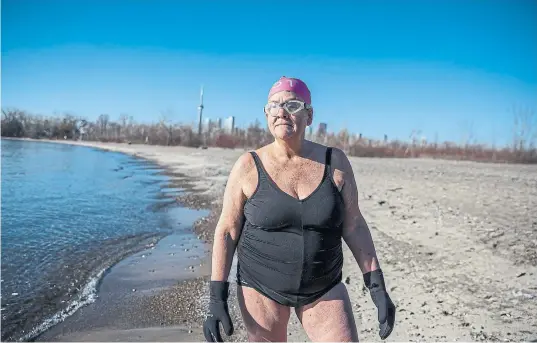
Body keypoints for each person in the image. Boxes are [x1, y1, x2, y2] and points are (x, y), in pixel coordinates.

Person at [203, 76, 396, 342]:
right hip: (261, 287)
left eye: (292, 105)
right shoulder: (248, 166)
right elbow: (227, 230)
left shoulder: (335, 163)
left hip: (324, 286)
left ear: (309, 114)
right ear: (266, 114)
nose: (281, 112)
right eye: (273, 106)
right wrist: (216, 298)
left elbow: (354, 225)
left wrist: (376, 286)